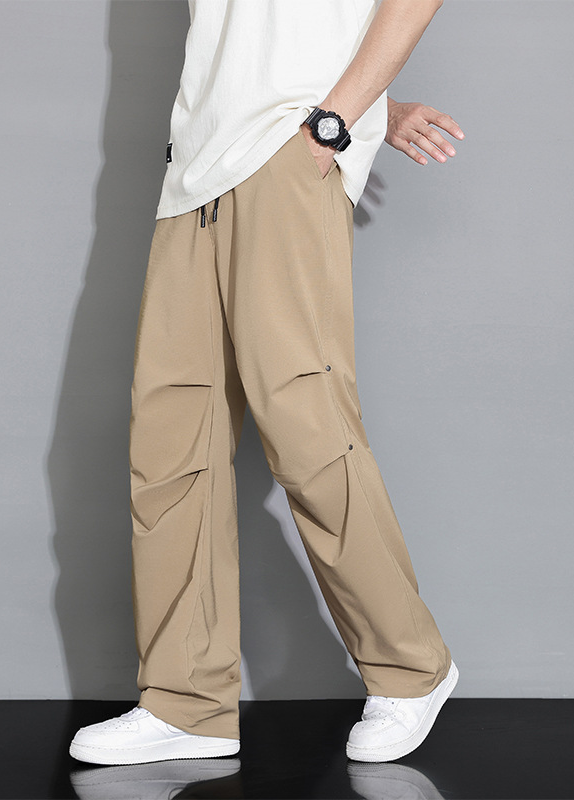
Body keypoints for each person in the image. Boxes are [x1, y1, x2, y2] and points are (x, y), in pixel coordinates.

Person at [70, 0, 465, 766]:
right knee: (170, 442)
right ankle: (186, 702)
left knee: (304, 421)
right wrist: (380, 110)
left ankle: (410, 666)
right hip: (195, 170)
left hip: (287, 154)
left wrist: (336, 123)